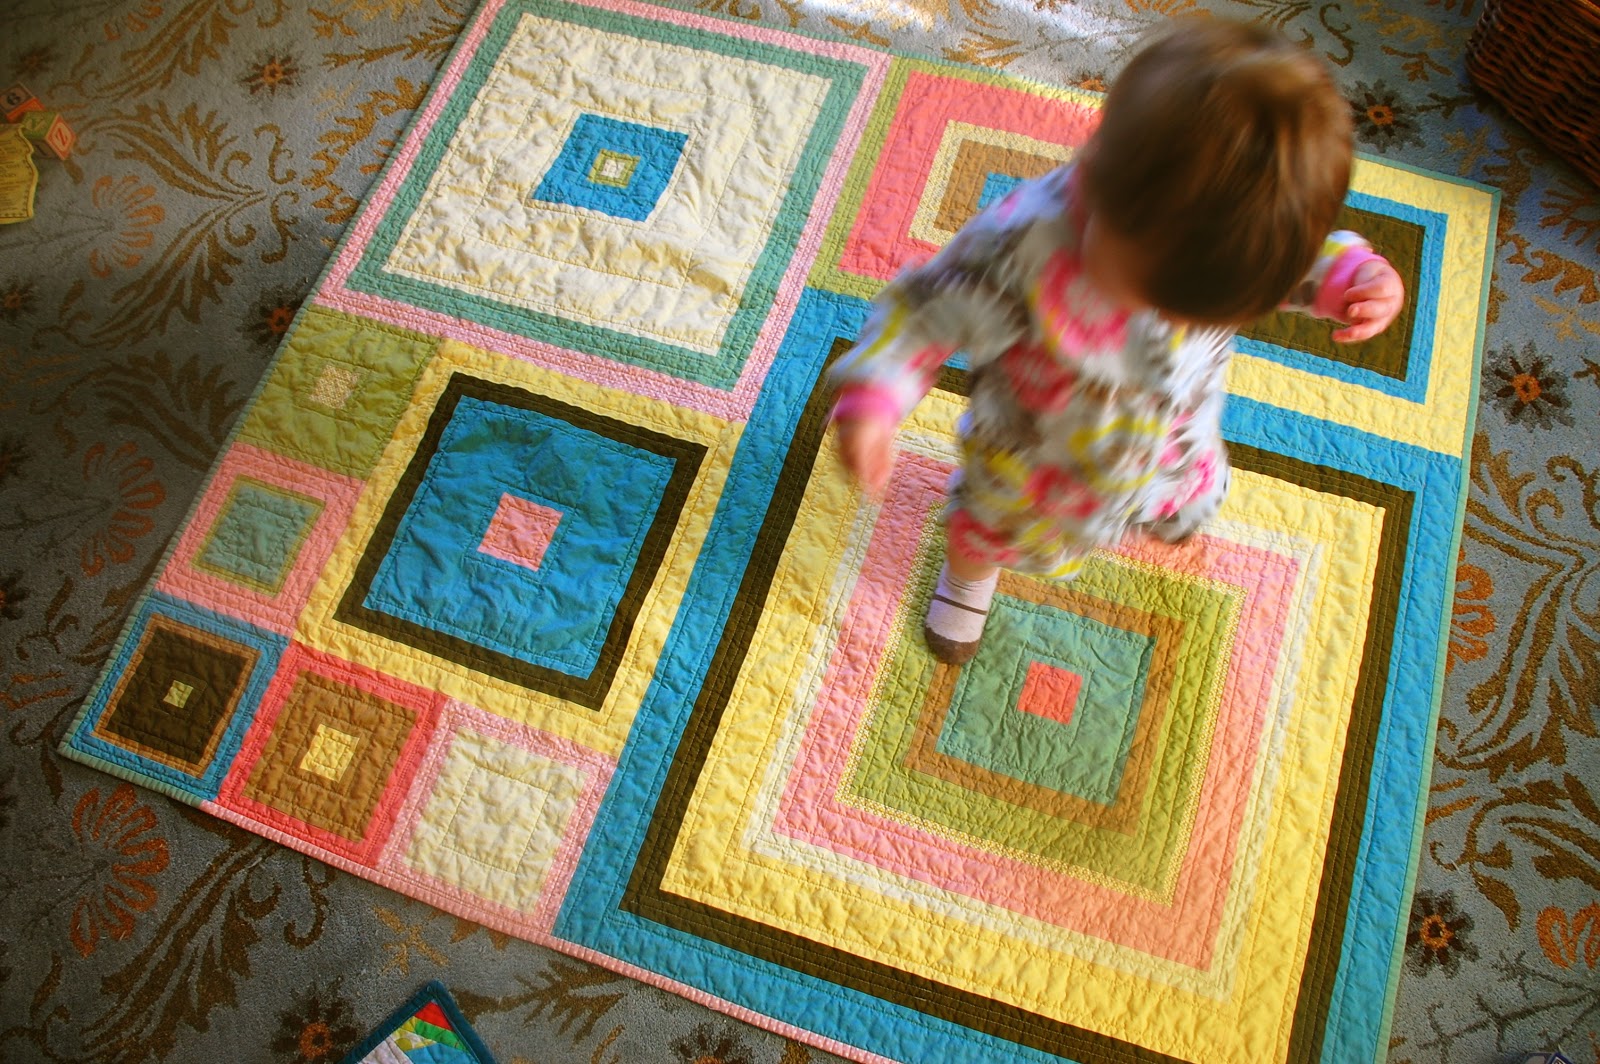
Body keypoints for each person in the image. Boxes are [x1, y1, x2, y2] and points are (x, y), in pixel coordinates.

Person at [827, 17, 1406, 665]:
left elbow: (1296, 259)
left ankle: (1156, 507)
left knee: (1181, 495)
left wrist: (1352, 278)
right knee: (988, 528)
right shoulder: (1021, 246)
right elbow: (921, 314)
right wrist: (875, 397)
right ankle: (967, 578)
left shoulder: (1240, 242)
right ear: (1098, 183)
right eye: (1152, 296)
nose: (1165, 316)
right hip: (1035, 458)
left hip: (1176, 437)